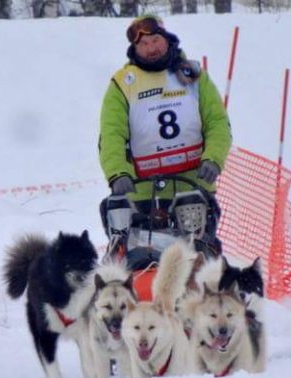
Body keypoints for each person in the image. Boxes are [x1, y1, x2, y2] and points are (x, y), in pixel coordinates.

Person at [97, 15, 232, 255]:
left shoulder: (193, 75)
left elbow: (217, 123)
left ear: (167, 39)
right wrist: (118, 173)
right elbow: (111, 135)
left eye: (155, 40)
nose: (151, 49)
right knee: (140, 259)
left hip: (194, 186)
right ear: (134, 48)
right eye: (143, 44)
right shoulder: (122, 84)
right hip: (141, 190)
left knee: (199, 257)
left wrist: (213, 159)